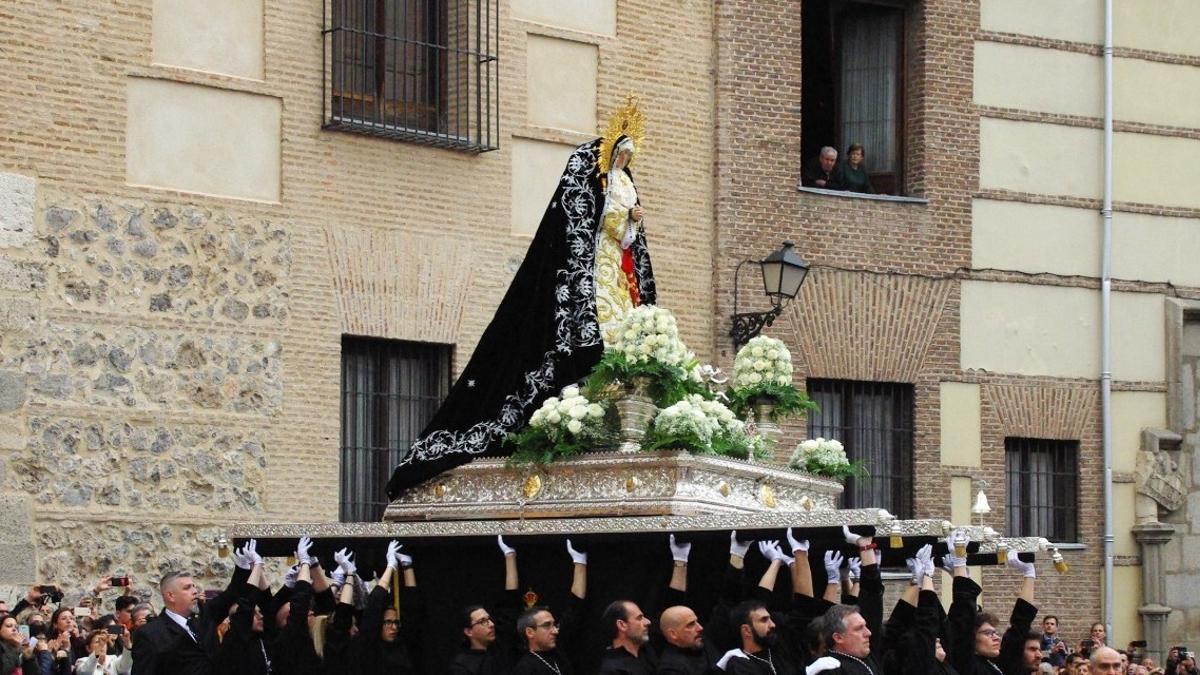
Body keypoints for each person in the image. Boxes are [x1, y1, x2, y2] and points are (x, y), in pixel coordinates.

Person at [384, 98, 655, 496]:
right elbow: (594, 218)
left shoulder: (626, 181)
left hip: (617, 266)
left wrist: (633, 224)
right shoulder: (598, 181)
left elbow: (631, 236)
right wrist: (621, 219)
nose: (625, 159)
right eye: (622, 152)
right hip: (594, 265)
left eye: (630, 155)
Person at [449, 535, 523, 675]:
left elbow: (510, 603)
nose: (491, 624)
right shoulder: (461, 665)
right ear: (468, 631)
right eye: (482, 621)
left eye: (488, 619)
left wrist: (510, 556)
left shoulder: (502, 648)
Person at [512, 540, 589, 675]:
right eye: (547, 625)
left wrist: (579, 561)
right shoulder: (524, 669)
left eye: (554, 625)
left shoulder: (560, 655)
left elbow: (575, 608)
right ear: (530, 632)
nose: (555, 631)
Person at [350, 540, 422, 675]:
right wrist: (390, 567)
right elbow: (374, 604)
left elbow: (413, 607)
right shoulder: (369, 646)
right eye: (388, 622)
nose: (394, 627)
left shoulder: (402, 646)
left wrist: (407, 565)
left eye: (395, 622)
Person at [130, 571, 216, 675]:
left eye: (194, 586)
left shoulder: (199, 624)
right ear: (171, 596)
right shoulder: (150, 634)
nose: (195, 591)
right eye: (187, 587)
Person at [717, 600, 796, 675]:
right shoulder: (739, 664)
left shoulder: (780, 651)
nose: (772, 624)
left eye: (770, 619)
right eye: (764, 620)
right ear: (747, 630)